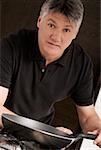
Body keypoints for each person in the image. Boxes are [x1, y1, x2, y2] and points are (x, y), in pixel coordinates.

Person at [0, 0, 101, 148]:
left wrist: (98, 128)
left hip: (37, 142)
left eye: (66, 30)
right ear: (40, 21)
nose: (56, 37)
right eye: (51, 25)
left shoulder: (81, 63)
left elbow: (87, 117)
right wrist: (46, 133)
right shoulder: (10, 47)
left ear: (75, 33)